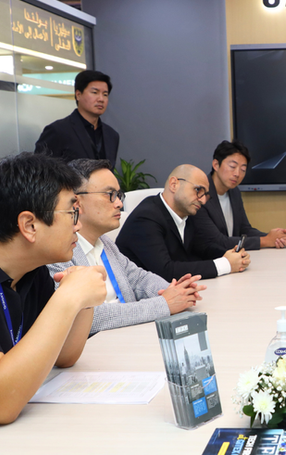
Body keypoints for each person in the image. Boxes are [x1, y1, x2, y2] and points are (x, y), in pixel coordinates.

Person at [0, 153, 107, 424]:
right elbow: (2, 404)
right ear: (29, 225)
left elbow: (65, 356)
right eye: (72, 213)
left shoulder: (32, 272)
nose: (78, 225)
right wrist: (68, 298)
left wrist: (82, 298)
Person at [48, 159, 207, 335]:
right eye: (110, 194)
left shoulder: (105, 243)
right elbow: (89, 318)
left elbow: (138, 278)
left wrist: (175, 292)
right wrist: (164, 304)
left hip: (128, 335)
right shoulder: (57, 253)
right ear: (77, 202)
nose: (119, 203)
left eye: (119, 195)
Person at [116, 164, 250, 280]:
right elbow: (165, 271)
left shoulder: (188, 212)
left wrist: (230, 255)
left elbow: (202, 248)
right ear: (174, 184)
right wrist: (226, 264)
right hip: (139, 297)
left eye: (205, 194)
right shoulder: (146, 217)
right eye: (198, 190)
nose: (203, 200)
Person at [191, 141, 286, 252]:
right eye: (232, 166)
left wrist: (275, 237)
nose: (237, 174)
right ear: (216, 165)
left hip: (233, 258)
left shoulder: (234, 192)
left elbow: (244, 230)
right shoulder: (199, 196)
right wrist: (266, 240)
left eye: (243, 170)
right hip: (208, 259)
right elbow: (218, 241)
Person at [34, 70, 120, 167]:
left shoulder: (112, 135)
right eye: (95, 92)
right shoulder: (58, 131)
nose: (101, 99)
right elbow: (40, 171)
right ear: (78, 95)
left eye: (105, 94)